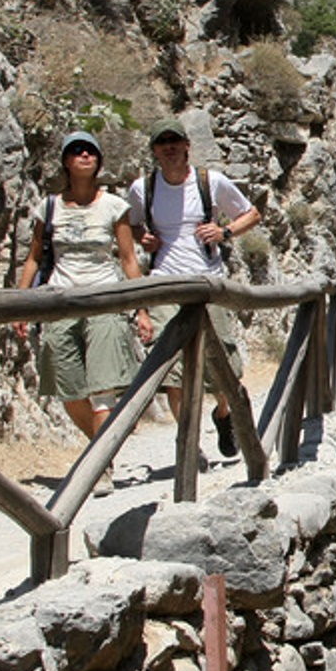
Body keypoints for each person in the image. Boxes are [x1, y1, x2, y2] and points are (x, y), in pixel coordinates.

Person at [14, 130, 156, 455]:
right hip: (61, 301)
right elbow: (35, 258)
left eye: (90, 151)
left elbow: (128, 258)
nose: (84, 156)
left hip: (105, 300)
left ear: (99, 161)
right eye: (76, 151)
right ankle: (101, 450)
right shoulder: (49, 207)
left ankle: (100, 466)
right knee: (68, 389)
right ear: (65, 160)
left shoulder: (113, 207)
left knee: (102, 389)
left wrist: (141, 310)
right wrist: (21, 304)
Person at [127, 117, 262, 459]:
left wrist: (225, 232)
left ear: (187, 145)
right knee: (171, 372)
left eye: (175, 141)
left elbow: (252, 214)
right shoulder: (143, 188)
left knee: (224, 367)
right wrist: (142, 236)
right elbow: (130, 226)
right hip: (164, 284)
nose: (169, 148)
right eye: (162, 143)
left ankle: (223, 413)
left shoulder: (211, 183)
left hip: (207, 281)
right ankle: (190, 445)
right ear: (155, 150)